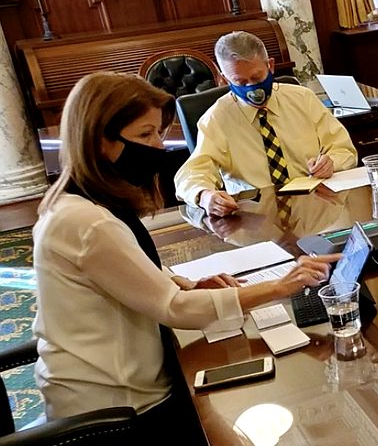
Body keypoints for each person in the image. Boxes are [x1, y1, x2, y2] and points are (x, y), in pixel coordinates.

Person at [33, 72, 339, 422]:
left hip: (110, 389)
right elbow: (175, 309)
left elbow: (124, 272)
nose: (159, 147)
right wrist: (281, 286)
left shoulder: (76, 202)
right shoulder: (88, 223)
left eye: (158, 134)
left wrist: (188, 284)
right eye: (145, 135)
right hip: (115, 412)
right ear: (99, 140)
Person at [174, 31, 357, 217]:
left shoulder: (303, 99)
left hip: (314, 209)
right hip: (253, 219)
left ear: (270, 66)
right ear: (224, 79)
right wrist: (204, 196)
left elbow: (344, 150)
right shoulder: (216, 119)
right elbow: (191, 174)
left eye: (256, 77)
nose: (251, 88)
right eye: (240, 81)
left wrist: (331, 162)